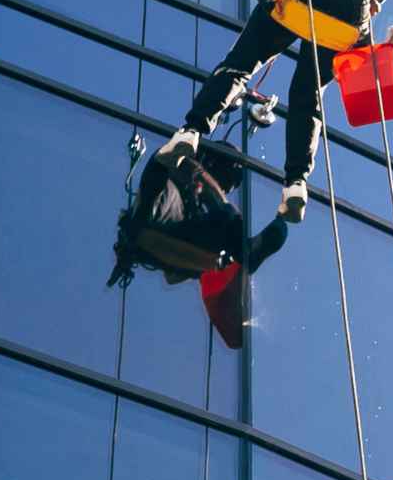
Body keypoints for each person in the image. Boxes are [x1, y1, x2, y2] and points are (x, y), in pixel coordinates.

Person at [162, 0, 393, 224]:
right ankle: (295, 183)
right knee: (308, 95)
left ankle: (190, 132)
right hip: (343, 6)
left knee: (240, 64)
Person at [109, 138, 291, 347]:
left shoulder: (191, 211)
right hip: (152, 218)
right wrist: (225, 211)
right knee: (225, 221)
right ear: (210, 162)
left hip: (153, 241)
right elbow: (192, 170)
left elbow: (172, 276)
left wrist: (213, 264)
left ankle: (238, 259)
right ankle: (243, 250)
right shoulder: (173, 165)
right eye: (228, 179)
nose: (227, 187)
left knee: (214, 250)